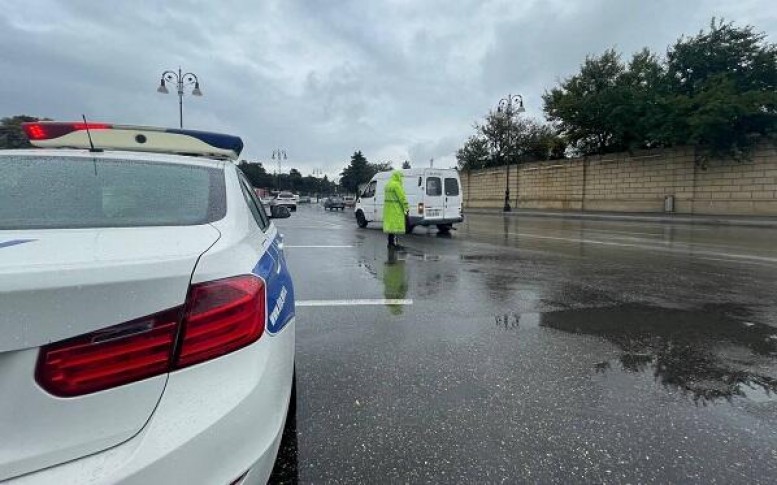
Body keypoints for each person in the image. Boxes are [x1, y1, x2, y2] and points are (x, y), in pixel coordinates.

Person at [383, 170, 409, 248]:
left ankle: (390, 243)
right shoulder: (397, 185)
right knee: (395, 227)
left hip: (388, 209)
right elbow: (402, 198)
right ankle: (394, 244)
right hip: (396, 209)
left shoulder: (387, 185)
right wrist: (406, 207)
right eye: (401, 177)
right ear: (398, 177)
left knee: (391, 227)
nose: (401, 179)